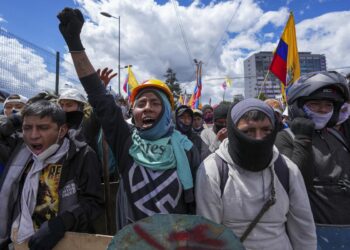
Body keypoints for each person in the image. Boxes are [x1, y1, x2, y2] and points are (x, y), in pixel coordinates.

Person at [57, 7, 199, 230]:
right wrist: (75, 44)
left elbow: (200, 207)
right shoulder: (127, 142)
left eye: (155, 103)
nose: (147, 109)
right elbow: (99, 97)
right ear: (132, 112)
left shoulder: (189, 148)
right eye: (141, 104)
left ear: (167, 112)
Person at [196, 98, 316, 250]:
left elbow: (304, 231)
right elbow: (209, 237)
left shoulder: (287, 169)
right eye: (248, 131)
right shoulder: (212, 170)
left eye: (266, 130)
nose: (259, 138)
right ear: (232, 131)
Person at [0, 100, 103, 249]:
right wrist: (18, 117)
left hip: (67, 242)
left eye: (43, 128)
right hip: (20, 241)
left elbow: (94, 202)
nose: (33, 136)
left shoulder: (81, 155)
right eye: (27, 128)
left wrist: (61, 224)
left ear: (61, 131)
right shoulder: (19, 152)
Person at [275, 71, 350, 224]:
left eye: (328, 105)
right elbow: (294, 184)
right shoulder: (286, 138)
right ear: (299, 107)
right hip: (315, 231)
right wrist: (303, 138)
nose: (323, 110)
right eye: (315, 104)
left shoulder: (336, 135)